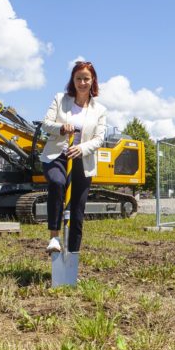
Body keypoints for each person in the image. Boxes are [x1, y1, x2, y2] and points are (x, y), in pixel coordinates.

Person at [41, 61, 108, 253]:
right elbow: (45, 124)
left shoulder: (100, 110)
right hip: (57, 156)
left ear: (92, 80)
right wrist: (61, 128)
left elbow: (99, 139)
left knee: (78, 211)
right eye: (78, 78)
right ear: (73, 80)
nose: (82, 82)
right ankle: (54, 238)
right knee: (57, 182)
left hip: (82, 161)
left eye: (86, 78)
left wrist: (82, 148)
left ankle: (72, 256)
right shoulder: (61, 99)